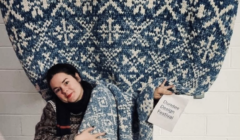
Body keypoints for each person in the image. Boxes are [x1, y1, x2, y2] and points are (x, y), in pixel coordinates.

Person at [34, 63, 174, 140]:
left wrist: (151, 96)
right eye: (57, 90)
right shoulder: (53, 108)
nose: (64, 90)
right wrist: (75, 139)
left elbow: (132, 105)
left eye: (66, 82)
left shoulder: (105, 95)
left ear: (77, 78)